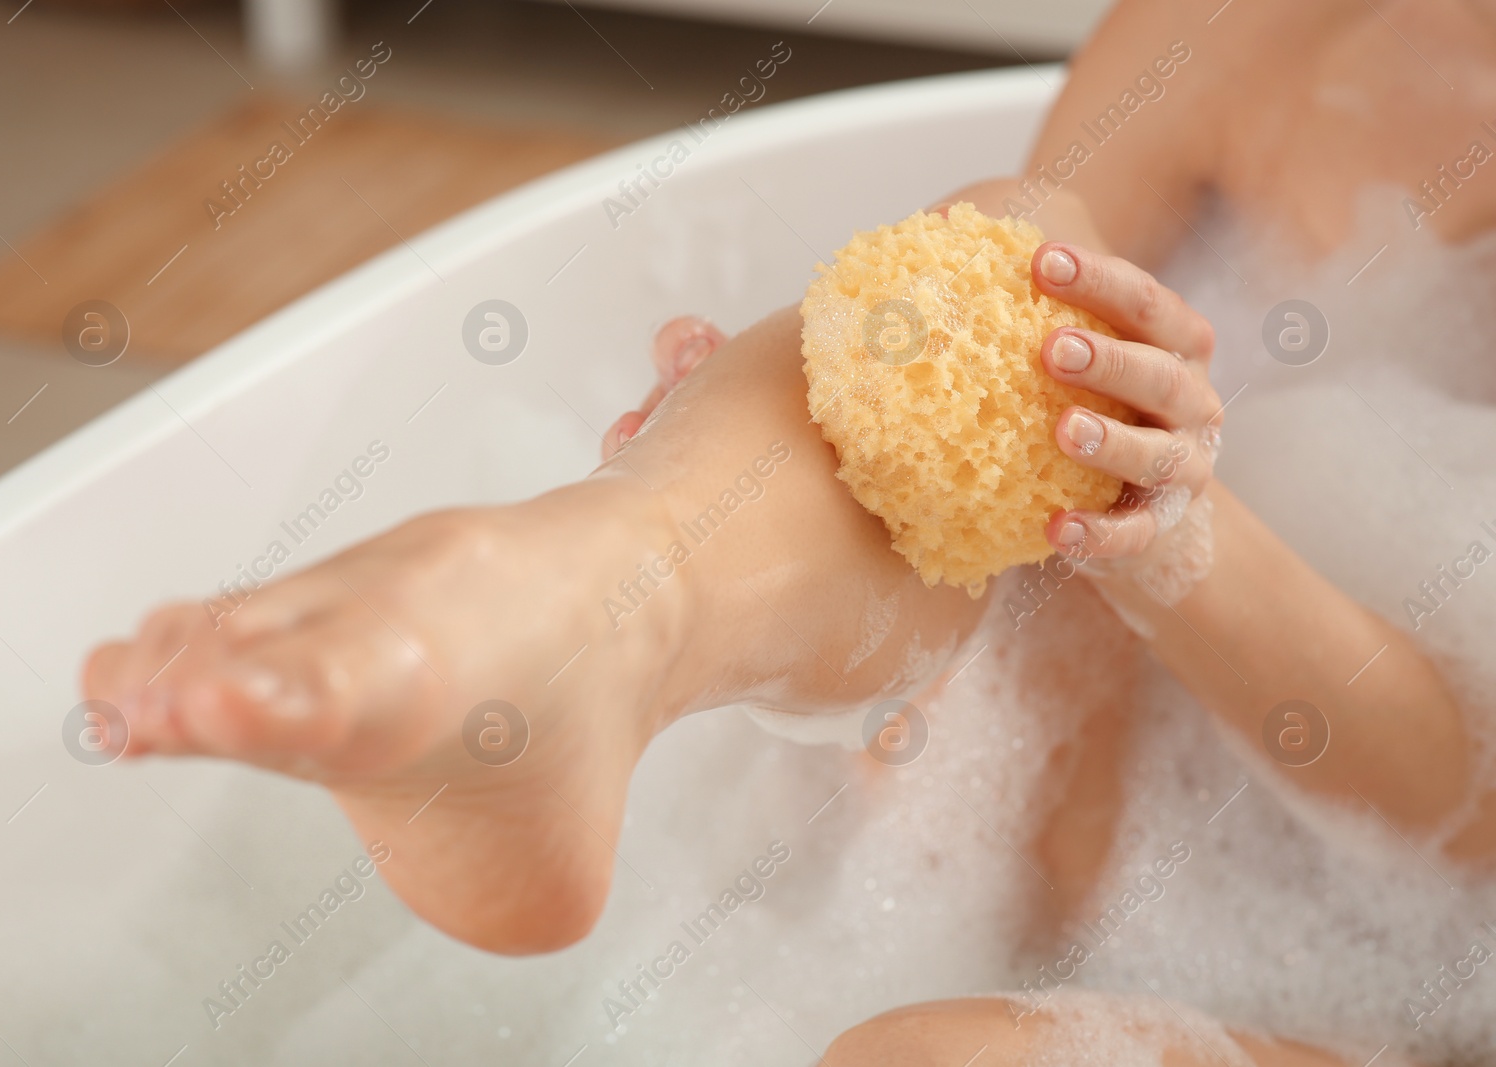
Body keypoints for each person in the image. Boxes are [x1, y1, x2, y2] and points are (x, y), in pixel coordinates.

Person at [85, 0, 1496, 1061]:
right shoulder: (1226, 28)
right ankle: (589, 600)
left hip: (1415, 985)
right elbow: (992, 379)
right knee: (1002, 263)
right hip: (1021, 819)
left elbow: (1464, 828)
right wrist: (778, 431)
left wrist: (1174, 526)